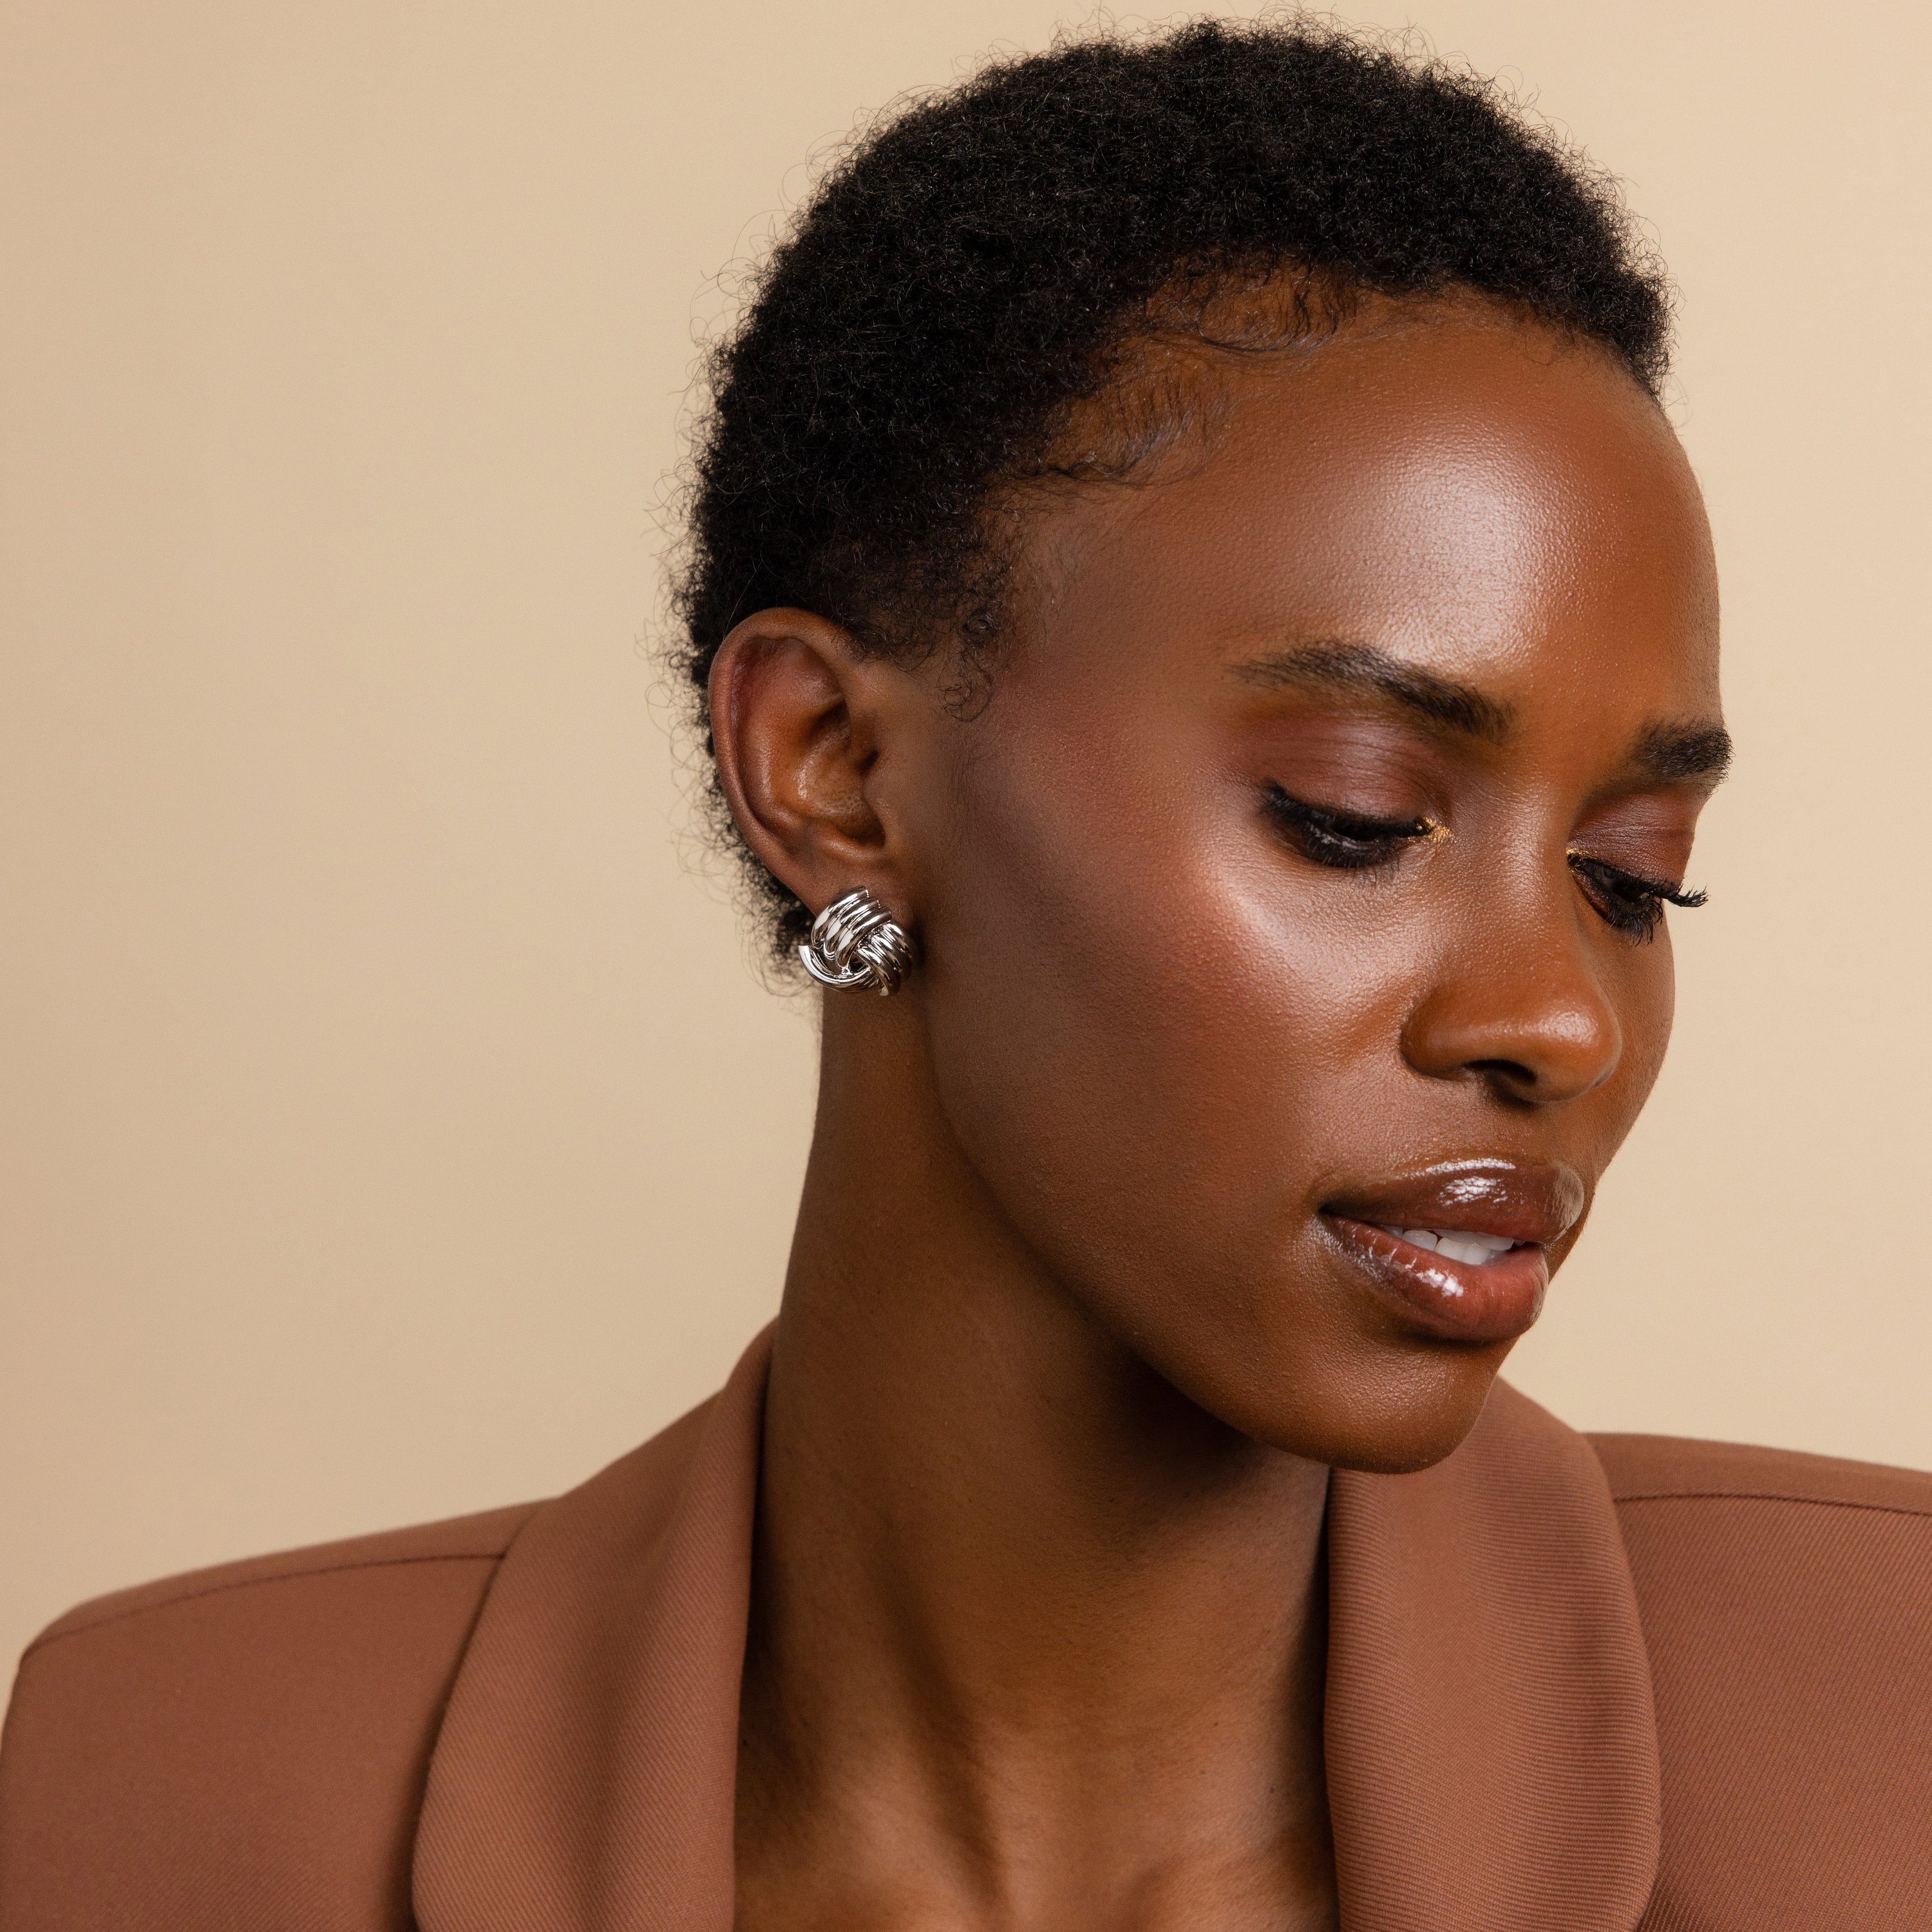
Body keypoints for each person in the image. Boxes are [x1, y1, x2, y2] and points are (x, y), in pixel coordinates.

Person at [3, 19, 1929, 1931]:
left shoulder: (1874, 1723)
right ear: (834, 770)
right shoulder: (162, 1787)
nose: (1561, 1017)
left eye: (1630, 877)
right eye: (1355, 817)